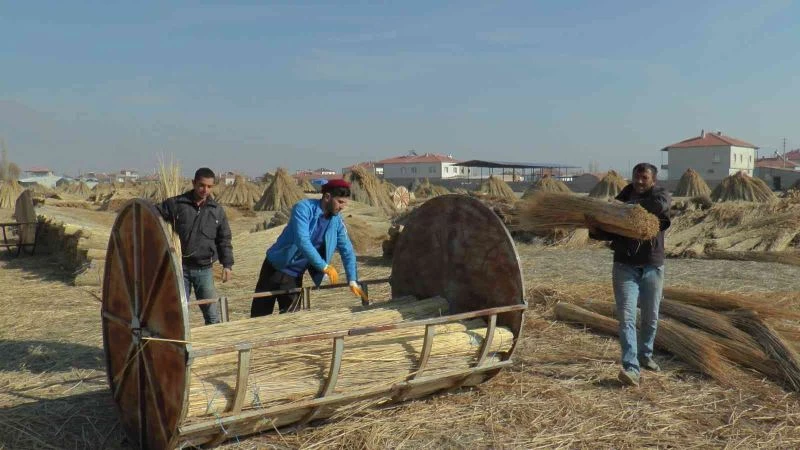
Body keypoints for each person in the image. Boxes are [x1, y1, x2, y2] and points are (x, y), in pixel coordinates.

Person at [586, 163, 671, 387]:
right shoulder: (621, 199)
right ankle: (631, 367)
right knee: (627, 317)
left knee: (651, 318)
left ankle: (645, 355)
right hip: (625, 265)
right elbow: (604, 232)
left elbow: (660, 206)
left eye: (644, 178)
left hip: (652, 266)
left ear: (653, 180)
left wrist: (627, 209)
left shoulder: (659, 196)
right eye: (636, 177)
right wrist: (594, 225)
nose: (639, 181)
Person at [251, 178, 367, 317]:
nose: (342, 207)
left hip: (295, 276)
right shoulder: (303, 208)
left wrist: (352, 279)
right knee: (259, 317)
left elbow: (347, 250)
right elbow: (302, 241)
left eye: (345, 203)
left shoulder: (336, 221)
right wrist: (324, 267)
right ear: (327, 197)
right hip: (275, 269)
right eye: (340, 202)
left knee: (291, 320)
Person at [156, 167, 233, 325]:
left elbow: (224, 239)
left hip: (204, 269)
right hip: (179, 269)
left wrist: (227, 265)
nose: (205, 190)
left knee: (211, 314)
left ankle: (213, 345)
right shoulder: (176, 204)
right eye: (201, 185)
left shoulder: (216, 211)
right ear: (194, 183)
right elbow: (153, 215)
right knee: (177, 313)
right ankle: (180, 348)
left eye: (209, 187)